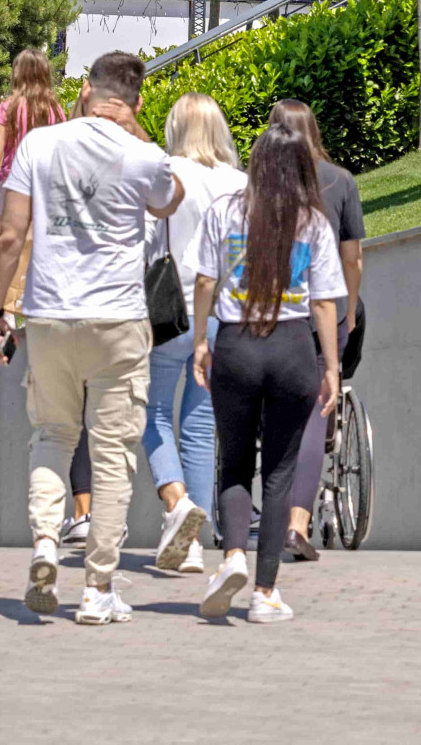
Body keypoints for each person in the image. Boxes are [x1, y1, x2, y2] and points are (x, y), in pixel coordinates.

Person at [0, 50, 185, 625]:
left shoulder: (41, 146)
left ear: (86, 91)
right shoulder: (141, 153)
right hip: (118, 318)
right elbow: (170, 200)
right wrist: (139, 131)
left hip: (48, 315)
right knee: (113, 452)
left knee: (51, 434)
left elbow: (10, 234)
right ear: (136, 99)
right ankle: (97, 587)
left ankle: (46, 542)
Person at [186, 123, 346, 624]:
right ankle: (265, 592)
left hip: (236, 345)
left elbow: (205, 280)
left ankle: (232, 555)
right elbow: (323, 303)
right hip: (293, 347)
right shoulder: (313, 223)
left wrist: (200, 342)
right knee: (279, 472)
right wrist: (332, 368)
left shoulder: (224, 211)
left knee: (233, 462)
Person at [143, 92, 243, 577]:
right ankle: (196, 541)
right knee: (201, 425)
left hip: (169, 310)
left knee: (152, 409)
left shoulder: (167, 174)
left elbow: (145, 241)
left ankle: (176, 501)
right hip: (223, 314)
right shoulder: (241, 184)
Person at [266, 99, 364, 563]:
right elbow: (352, 258)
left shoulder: (260, 186)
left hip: (270, 315)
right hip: (321, 312)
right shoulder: (340, 181)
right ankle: (298, 523)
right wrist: (347, 312)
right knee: (316, 413)